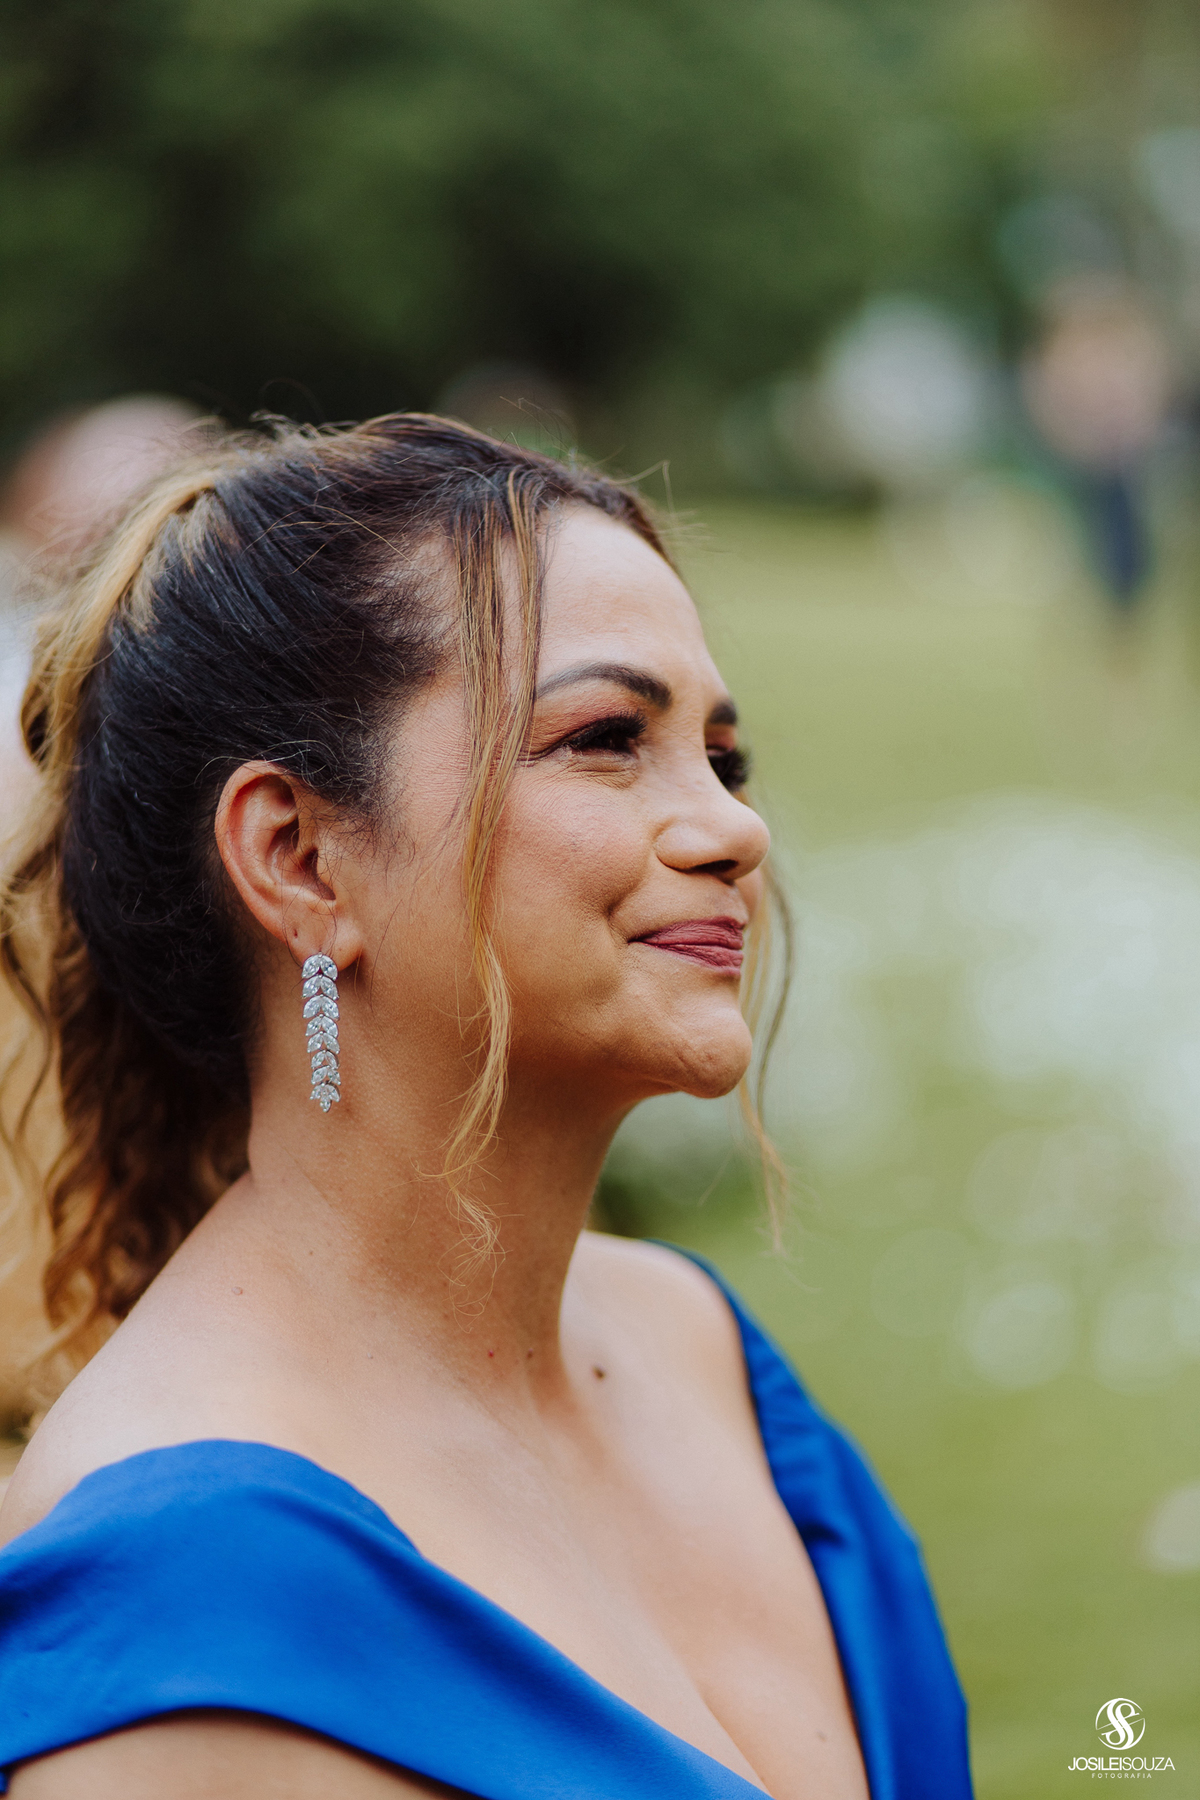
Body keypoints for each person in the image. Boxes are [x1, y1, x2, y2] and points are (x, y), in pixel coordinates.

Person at [0, 415, 971, 1799]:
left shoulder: (695, 1345)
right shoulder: (185, 1634)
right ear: (299, 859)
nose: (734, 827)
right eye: (606, 738)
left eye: (725, 757)